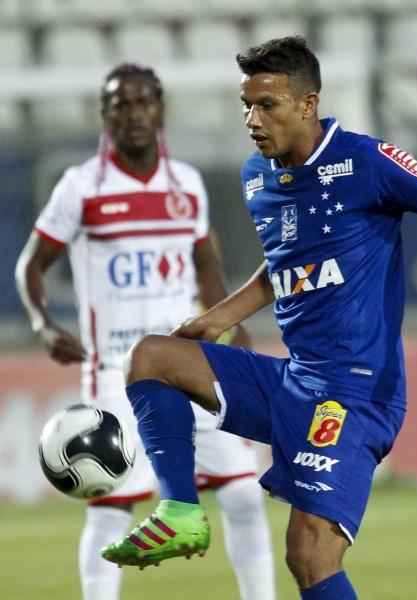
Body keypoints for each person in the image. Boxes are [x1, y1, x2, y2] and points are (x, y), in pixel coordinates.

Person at [100, 37, 417, 599]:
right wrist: (219, 315)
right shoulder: (259, 177)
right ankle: (181, 511)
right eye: (246, 105)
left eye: (267, 105)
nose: (253, 119)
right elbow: (286, 265)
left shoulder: (366, 161)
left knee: (309, 552)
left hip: (355, 395)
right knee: (152, 358)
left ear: (308, 104)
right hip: (294, 378)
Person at [15, 63, 276, 600]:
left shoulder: (187, 184)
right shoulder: (81, 187)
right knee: (112, 507)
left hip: (188, 363)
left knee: (245, 496)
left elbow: (206, 268)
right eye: (120, 105)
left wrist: (234, 328)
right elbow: (31, 265)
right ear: (105, 116)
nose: (133, 115)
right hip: (116, 371)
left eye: (143, 103)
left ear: (160, 110)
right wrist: (43, 325)